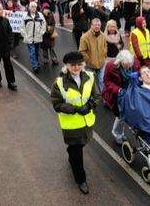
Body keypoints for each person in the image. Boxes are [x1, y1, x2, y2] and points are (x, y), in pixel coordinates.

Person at [50, 51, 100, 195]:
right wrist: (76, 109)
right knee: (77, 154)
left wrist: (89, 105)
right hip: (71, 125)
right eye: (73, 65)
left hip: (86, 122)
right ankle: (81, 180)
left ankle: (71, 154)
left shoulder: (89, 76)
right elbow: (57, 104)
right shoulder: (59, 83)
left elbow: (96, 95)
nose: (76, 67)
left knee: (80, 145)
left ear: (83, 65)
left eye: (79, 64)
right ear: (67, 66)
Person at [103, 50, 140, 144]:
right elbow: (107, 82)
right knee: (120, 116)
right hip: (117, 95)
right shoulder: (111, 66)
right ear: (119, 62)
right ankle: (117, 134)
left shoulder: (135, 63)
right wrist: (118, 90)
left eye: (129, 64)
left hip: (130, 92)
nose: (128, 66)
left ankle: (121, 132)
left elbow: (139, 75)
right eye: (125, 64)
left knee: (128, 114)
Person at [79, 18, 107, 91]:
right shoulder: (85, 37)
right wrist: (88, 60)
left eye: (98, 25)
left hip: (101, 63)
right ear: (91, 26)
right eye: (95, 25)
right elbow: (82, 51)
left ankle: (102, 98)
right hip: (90, 65)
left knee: (101, 81)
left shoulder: (102, 35)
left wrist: (104, 55)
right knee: (91, 83)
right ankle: (93, 97)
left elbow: (105, 46)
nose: (97, 26)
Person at [20, 2, 46, 73]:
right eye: (32, 6)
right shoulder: (25, 16)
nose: (33, 8)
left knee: (37, 51)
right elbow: (22, 27)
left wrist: (41, 33)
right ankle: (35, 66)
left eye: (35, 6)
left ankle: (36, 63)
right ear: (29, 7)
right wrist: (25, 36)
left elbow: (44, 24)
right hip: (29, 38)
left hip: (37, 37)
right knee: (32, 52)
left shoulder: (40, 15)